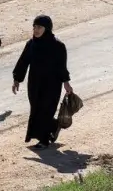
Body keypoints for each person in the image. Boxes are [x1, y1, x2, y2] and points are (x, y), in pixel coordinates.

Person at [12, 15, 73, 149]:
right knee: (36, 109)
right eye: (34, 27)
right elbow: (23, 62)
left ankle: (44, 139)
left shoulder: (58, 46)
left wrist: (66, 83)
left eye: (39, 27)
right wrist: (17, 79)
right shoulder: (31, 44)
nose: (36, 30)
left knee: (46, 109)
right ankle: (54, 126)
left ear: (47, 28)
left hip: (52, 84)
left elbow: (62, 67)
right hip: (34, 83)